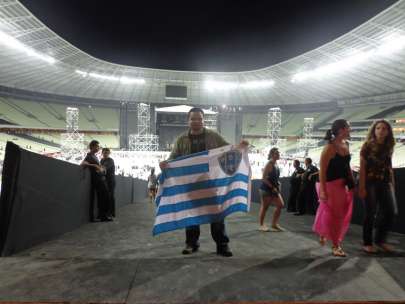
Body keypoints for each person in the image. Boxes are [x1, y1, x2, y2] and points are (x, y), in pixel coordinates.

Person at [159, 107, 248, 257]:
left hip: (211, 183)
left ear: (203, 120)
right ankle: (192, 243)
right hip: (191, 184)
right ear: (188, 121)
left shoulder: (213, 136)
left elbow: (228, 149)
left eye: (199, 118)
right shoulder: (181, 140)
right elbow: (173, 158)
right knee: (191, 214)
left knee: (217, 214)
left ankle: (222, 245)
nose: (196, 121)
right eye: (193, 119)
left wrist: (240, 147)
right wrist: (165, 163)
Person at [313, 119, 354, 257]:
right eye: (349, 127)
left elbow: (347, 166)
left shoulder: (346, 144)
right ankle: (336, 245)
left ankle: (324, 232)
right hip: (328, 185)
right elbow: (322, 171)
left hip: (341, 185)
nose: (351, 129)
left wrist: (351, 183)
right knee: (335, 215)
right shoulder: (329, 148)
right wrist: (323, 191)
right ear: (342, 129)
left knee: (333, 213)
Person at [359, 120, 396, 254]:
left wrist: (392, 184)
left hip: (385, 182)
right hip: (369, 182)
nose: (381, 130)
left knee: (390, 211)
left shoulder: (389, 146)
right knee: (370, 212)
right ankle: (367, 243)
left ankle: (380, 240)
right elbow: (362, 168)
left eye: (384, 128)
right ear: (374, 130)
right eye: (378, 128)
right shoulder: (367, 146)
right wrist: (362, 187)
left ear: (388, 132)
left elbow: (389, 167)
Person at [81, 140, 112, 222]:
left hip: (100, 179)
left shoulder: (94, 156)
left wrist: (100, 167)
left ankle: (102, 216)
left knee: (103, 198)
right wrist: (94, 165)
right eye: (97, 146)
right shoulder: (89, 156)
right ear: (93, 146)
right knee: (103, 198)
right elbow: (82, 164)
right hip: (97, 181)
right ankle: (103, 216)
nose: (98, 148)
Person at [258, 147, 285, 232]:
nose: (278, 155)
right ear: (272, 155)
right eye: (277, 153)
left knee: (280, 205)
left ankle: (274, 224)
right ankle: (261, 225)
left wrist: (278, 183)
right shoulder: (269, 164)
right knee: (265, 207)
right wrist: (272, 187)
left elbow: (274, 177)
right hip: (266, 189)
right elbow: (263, 178)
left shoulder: (275, 164)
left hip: (274, 190)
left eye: (278, 153)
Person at [101, 148, 116, 218]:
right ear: (102, 153)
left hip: (111, 180)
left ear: (109, 153)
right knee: (107, 197)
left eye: (107, 153)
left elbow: (104, 168)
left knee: (110, 196)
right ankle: (107, 212)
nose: (105, 154)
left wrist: (97, 168)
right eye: (104, 153)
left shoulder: (110, 160)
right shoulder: (102, 160)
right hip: (105, 180)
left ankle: (111, 213)